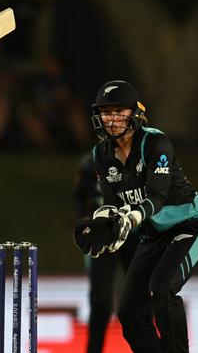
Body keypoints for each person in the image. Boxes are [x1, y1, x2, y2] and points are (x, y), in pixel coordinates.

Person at [73, 80, 198, 353]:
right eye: (105, 112)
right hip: (152, 235)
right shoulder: (100, 154)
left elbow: (157, 198)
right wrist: (106, 227)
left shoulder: (155, 142)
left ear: (135, 113)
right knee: (129, 313)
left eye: (119, 111)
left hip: (191, 226)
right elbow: (112, 204)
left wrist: (131, 219)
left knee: (162, 289)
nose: (111, 119)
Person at [72, 151, 137, 353]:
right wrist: (86, 226)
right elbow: (78, 197)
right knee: (100, 302)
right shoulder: (88, 162)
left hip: (134, 234)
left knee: (141, 300)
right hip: (101, 236)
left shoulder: (143, 157)